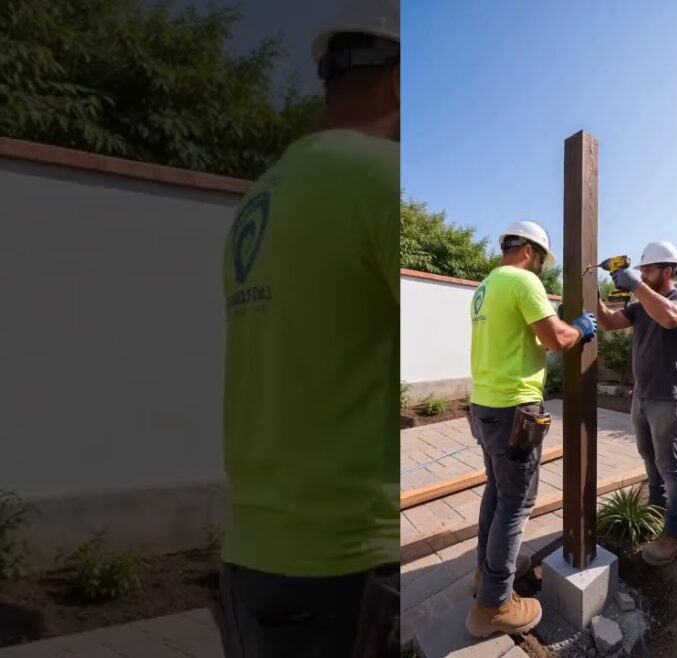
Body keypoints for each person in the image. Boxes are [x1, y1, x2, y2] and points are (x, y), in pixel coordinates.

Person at [215, 1, 401, 656]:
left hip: (252, 551)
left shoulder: (262, 194)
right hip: (345, 564)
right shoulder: (381, 180)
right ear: (401, 80)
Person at [465, 220, 598, 638]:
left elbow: (522, 340)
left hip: (484, 404)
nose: (541, 269)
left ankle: (483, 575)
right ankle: (494, 605)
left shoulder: (485, 287)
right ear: (529, 251)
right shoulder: (523, 281)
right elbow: (557, 337)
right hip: (513, 409)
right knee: (517, 503)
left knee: (497, 491)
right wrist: (580, 329)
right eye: (541, 261)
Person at [596, 242, 677, 566]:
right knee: (648, 457)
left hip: (669, 401)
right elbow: (610, 322)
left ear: (668, 271)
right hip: (641, 397)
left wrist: (636, 286)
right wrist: (590, 293)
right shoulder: (640, 306)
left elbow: (670, 319)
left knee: (670, 467)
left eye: (648, 269)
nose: (641, 274)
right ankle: (658, 511)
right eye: (640, 270)